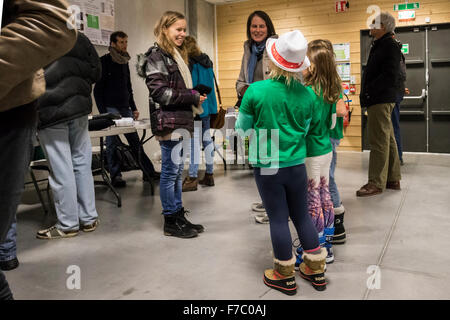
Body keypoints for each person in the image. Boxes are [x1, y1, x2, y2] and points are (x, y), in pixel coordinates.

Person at [236, 30, 328, 295]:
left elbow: (242, 130)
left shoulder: (256, 91)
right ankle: (315, 268)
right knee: (300, 215)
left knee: (278, 218)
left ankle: (284, 274)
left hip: (267, 163)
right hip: (297, 163)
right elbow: (308, 128)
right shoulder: (309, 96)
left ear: (272, 60)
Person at [0, 0, 76, 299]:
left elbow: (51, 21)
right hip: (51, 110)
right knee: (73, 167)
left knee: (63, 169)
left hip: (39, 111)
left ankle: (68, 223)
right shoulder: (94, 55)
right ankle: (76, 221)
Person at [143, 11, 206, 239]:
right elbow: (160, 93)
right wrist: (191, 96)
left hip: (180, 121)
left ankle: (178, 215)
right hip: (168, 123)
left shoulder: (174, 55)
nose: (182, 34)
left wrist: (193, 96)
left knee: (177, 171)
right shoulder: (156, 56)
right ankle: (170, 220)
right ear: (165, 29)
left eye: (183, 29)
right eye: (178, 29)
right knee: (170, 173)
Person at [35, 33, 101, 239]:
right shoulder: (78, 37)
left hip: (49, 110)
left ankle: (68, 224)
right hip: (79, 108)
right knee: (82, 163)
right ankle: (89, 218)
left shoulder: (33, 37)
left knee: (61, 168)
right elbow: (96, 72)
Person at [295, 40, 346, 267]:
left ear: (312, 66)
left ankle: (313, 249)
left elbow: (303, 127)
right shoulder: (330, 90)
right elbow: (334, 122)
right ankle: (327, 245)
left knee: (312, 201)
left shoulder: (308, 93)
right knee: (325, 198)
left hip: (312, 153)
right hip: (326, 148)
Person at [94, 31, 159, 188]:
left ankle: (148, 172)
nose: (125, 45)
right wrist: (104, 113)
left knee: (135, 141)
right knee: (111, 144)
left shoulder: (124, 62)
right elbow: (97, 90)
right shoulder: (104, 61)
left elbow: (128, 87)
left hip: (125, 108)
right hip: (110, 108)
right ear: (113, 44)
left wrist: (134, 107)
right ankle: (116, 176)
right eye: (121, 42)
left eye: (126, 42)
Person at [235, 10, 277, 224]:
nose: (257, 30)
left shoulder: (276, 47)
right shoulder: (248, 49)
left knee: (272, 163)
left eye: (261, 26)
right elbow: (241, 80)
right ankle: (268, 200)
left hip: (271, 111)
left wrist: (256, 91)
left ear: (268, 28)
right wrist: (244, 90)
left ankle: (275, 209)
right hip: (254, 111)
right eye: (254, 26)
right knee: (259, 162)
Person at [307, 40, 348, 245]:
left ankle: (336, 226)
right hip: (325, 137)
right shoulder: (327, 82)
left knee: (326, 181)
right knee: (324, 183)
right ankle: (329, 225)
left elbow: (341, 110)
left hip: (326, 137)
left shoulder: (328, 84)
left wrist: (324, 105)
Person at [358, 12, 402, 197]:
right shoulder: (381, 44)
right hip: (380, 98)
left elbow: (389, 75)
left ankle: (375, 182)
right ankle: (393, 179)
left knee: (378, 141)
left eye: (374, 23)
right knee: (388, 138)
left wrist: (369, 91)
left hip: (380, 99)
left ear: (383, 26)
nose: (371, 25)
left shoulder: (389, 45)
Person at [182, 36, 218, 192]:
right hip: (208, 106)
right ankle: (209, 175)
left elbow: (192, 86)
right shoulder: (207, 61)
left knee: (194, 143)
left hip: (197, 106)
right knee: (207, 140)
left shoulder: (190, 62)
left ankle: (192, 177)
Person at [391, 33, 407, 166]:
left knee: (393, 127)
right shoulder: (399, 53)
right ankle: (398, 156)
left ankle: (397, 156)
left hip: (392, 95)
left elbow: (399, 75)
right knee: (393, 126)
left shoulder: (394, 53)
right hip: (396, 93)